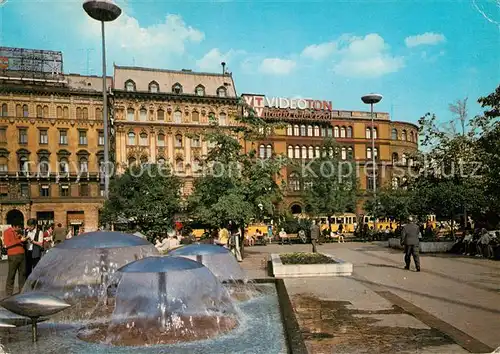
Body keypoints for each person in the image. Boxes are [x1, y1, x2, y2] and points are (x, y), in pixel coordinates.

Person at [3, 222, 27, 296]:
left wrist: (24, 240)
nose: (20, 229)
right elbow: (7, 244)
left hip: (22, 254)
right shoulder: (7, 232)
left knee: (22, 274)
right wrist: (20, 241)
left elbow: (21, 243)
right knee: (11, 274)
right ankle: (9, 293)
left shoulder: (19, 232)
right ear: (14, 226)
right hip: (13, 255)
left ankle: (22, 291)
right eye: (19, 227)